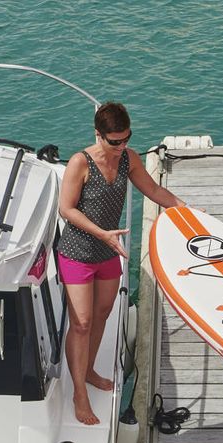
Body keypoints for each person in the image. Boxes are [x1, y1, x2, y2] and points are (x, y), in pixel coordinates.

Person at [58, 101, 185, 425]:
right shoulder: (80, 163)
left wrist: (184, 210)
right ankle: (79, 394)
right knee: (82, 322)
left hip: (108, 250)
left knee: (102, 314)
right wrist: (102, 233)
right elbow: (66, 209)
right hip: (77, 252)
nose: (122, 146)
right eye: (114, 141)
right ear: (98, 135)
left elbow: (153, 189)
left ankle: (87, 370)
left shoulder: (129, 159)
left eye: (126, 139)